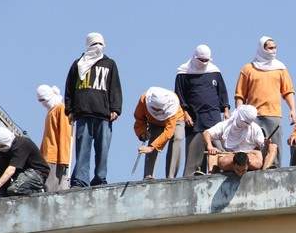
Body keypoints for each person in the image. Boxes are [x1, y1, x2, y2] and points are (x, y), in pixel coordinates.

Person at [64, 32, 122, 187]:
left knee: (102, 150)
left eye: (100, 44)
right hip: (82, 113)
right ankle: (80, 180)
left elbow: (115, 87)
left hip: (104, 115)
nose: (98, 47)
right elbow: (69, 89)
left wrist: (115, 108)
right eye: (94, 44)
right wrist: (69, 110)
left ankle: (99, 178)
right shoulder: (78, 64)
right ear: (88, 45)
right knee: (82, 150)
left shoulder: (110, 64)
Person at [234, 36, 296, 167]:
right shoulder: (248, 69)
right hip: (253, 116)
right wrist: (239, 113)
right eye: (270, 48)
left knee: (274, 145)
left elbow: (288, 91)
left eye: (275, 48)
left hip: (273, 115)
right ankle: (254, 169)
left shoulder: (280, 69)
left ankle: (274, 170)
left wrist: (292, 109)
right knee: (254, 146)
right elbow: (240, 95)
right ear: (262, 49)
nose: (273, 51)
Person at [175, 44, 230, 176]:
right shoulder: (183, 73)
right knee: (194, 151)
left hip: (213, 116)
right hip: (194, 119)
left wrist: (226, 110)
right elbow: (179, 95)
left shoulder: (214, 71)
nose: (204, 63)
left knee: (217, 149)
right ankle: (193, 175)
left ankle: (217, 172)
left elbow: (222, 92)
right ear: (195, 57)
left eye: (207, 60)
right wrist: (185, 113)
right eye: (202, 60)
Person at [203, 105, 277, 176]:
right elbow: (206, 133)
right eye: (245, 122)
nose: (247, 124)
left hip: (250, 157)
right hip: (230, 157)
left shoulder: (254, 128)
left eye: (249, 122)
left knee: (273, 147)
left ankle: (264, 173)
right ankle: (211, 175)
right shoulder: (225, 125)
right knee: (213, 154)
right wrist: (210, 146)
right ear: (240, 117)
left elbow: (262, 145)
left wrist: (266, 143)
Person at [0, 127, 50, 197]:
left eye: (4, 146)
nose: (3, 148)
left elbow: (11, 170)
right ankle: (4, 195)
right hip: (19, 173)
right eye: (0, 146)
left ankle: (39, 190)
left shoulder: (21, 144)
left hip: (37, 172)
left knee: (15, 190)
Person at [134, 87, 185, 179]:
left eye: (159, 109)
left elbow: (169, 131)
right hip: (154, 122)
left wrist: (153, 147)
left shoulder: (173, 104)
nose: (157, 111)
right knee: (153, 140)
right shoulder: (143, 100)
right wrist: (142, 133)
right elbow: (139, 119)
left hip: (175, 120)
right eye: (155, 109)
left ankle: (170, 176)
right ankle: (148, 176)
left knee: (177, 138)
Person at [36, 85, 72, 192]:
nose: (43, 103)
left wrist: (64, 159)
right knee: (48, 189)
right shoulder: (50, 111)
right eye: (40, 101)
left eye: (44, 99)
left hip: (56, 158)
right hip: (47, 158)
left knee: (56, 190)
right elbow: (46, 138)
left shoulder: (61, 108)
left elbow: (65, 134)